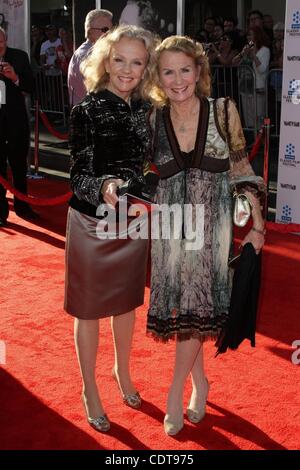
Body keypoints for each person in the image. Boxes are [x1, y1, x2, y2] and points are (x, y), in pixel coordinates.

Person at [147, 35, 266, 435]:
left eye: (185, 69)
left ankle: (175, 390)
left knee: (199, 304)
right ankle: (200, 382)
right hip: (168, 230)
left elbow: (240, 167)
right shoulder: (153, 118)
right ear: (157, 76)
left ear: (199, 71)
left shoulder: (222, 111)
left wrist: (259, 225)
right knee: (188, 315)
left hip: (210, 230)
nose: (177, 79)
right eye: (168, 71)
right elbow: (146, 175)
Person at [65, 24, 156, 432]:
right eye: (120, 59)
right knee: (88, 311)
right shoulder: (85, 110)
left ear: (146, 67)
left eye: (137, 62)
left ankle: (123, 372)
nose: (127, 69)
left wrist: (147, 183)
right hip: (90, 222)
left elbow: (151, 162)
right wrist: (103, 187)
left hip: (133, 222)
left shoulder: (147, 109)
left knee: (126, 303)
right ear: (105, 60)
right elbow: (77, 174)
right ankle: (90, 388)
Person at [0, 27, 36, 227]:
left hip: (16, 121)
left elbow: (31, 86)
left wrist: (15, 78)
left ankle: (23, 206)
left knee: (19, 166)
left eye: (1, 42)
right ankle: (0, 212)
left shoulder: (19, 57)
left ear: (6, 40)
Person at [67, 9, 113, 107]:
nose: (110, 34)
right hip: (90, 116)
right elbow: (101, 89)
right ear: (90, 31)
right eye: (105, 29)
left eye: (111, 30)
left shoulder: (96, 52)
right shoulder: (86, 55)